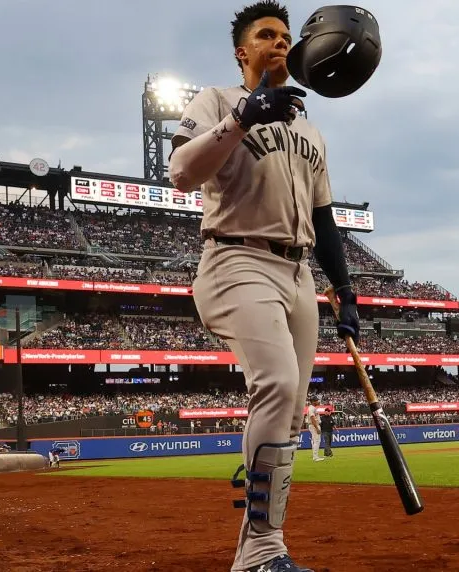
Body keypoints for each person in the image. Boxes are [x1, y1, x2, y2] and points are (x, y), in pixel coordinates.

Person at [167, 3, 360, 571]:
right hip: (236, 257)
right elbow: (180, 172)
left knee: (293, 411)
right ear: (241, 51)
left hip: (299, 273)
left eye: (284, 36)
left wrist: (345, 289)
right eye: (266, 35)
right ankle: (262, 553)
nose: (279, 43)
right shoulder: (215, 101)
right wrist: (243, 117)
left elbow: (324, 219)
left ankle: (258, 553)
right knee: (275, 383)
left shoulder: (310, 129)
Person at [305, 396, 324, 462]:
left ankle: (315, 456)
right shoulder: (311, 408)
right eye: (316, 400)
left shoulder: (312, 408)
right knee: (317, 441)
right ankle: (315, 457)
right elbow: (312, 418)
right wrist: (317, 428)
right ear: (313, 401)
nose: (318, 401)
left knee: (315, 441)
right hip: (314, 425)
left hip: (313, 425)